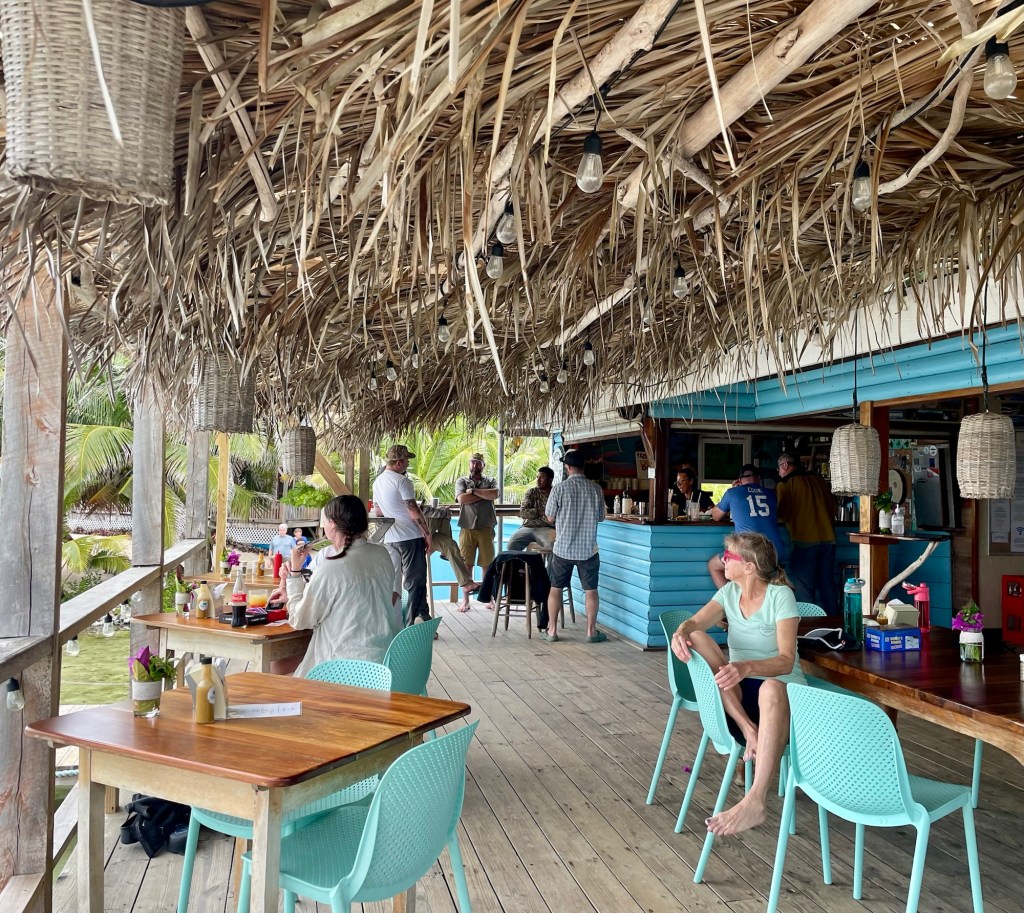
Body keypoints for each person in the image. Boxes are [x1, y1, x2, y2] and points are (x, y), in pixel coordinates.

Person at [671, 532, 805, 836]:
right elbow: (695, 623)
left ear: (749, 566)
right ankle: (749, 730)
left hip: (781, 694)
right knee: (697, 638)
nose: (722, 560)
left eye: (728, 556)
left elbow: (786, 660)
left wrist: (746, 667)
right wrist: (681, 632)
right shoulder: (729, 592)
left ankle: (756, 799)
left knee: (770, 687)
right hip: (739, 694)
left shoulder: (780, 596)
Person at [280, 495, 400, 676]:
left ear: (333, 524)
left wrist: (295, 573)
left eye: (324, 520)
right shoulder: (382, 554)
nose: (323, 525)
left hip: (342, 670)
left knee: (278, 666)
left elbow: (299, 620)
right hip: (382, 664)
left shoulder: (331, 567)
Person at [542, 449, 607, 644]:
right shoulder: (596, 489)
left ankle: (552, 631)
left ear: (567, 467)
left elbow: (550, 517)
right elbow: (601, 517)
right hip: (588, 550)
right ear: (583, 466)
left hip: (563, 549)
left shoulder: (559, 489)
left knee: (555, 589)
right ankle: (591, 632)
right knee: (591, 591)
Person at [372, 444, 433, 625]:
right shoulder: (402, 481)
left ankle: (416, 619)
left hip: (390, 538)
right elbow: (413, 510)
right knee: (415, 582)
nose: (408, 463)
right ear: (399, 462)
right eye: (406, 460)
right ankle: (411, 625)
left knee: (395, 583)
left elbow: (378, 512)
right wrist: (426, 533)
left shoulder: (378, 482)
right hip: (409, 536)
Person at [776, 452, 837, 611]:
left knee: (805, 588)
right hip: (828, 539)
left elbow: (782, 514)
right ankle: (834, 622)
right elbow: (834, 509)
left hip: (804, 540)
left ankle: (810, 622)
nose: (779, 473)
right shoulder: (819, 480)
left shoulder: (785, 483)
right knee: (827, 585)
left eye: (779, 469)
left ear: (785, 466)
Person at [708, 464, 783, 588]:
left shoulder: (733, 492)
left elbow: (716, 516)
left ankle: (730, 599)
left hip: (749, 553)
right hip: (776, 552)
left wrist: (734, 489)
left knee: (713, 565)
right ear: (758, 478)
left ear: (740, 480)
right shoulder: (771, 494)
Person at [421, 500, 481, 611]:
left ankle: (466, 583)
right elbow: (420, 510)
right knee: (439, 515)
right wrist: (443, 512)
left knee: (450, 544)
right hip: (417, 537)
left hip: (427, 535)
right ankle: (466, 583)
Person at [455, 452, 499, 572]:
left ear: (483, 465)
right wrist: (485, 494)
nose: (475, 466)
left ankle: (485, 586)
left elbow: (495, 494)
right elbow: (462, 499)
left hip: (486, 527)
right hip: (467, 526)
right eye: (473, 463)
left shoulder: (491, 480)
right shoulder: (462, 481)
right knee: (466, 564)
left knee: (487, 564)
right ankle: (467, 585)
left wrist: (473, 491)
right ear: (469, 464)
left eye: (478, 463)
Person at [507, 466, 556, 551]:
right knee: (512, 545)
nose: (538, 480)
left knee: (554, 545)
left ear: (550, 480)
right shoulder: (531, 492)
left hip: (547, 528)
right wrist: (541, 512)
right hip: (528, 527)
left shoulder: (555, 494)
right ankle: (520, 560)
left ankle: (545, 561)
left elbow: (554, 518)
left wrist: (534, 513)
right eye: (537, 477)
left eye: (542, 478)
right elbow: (523, 513)